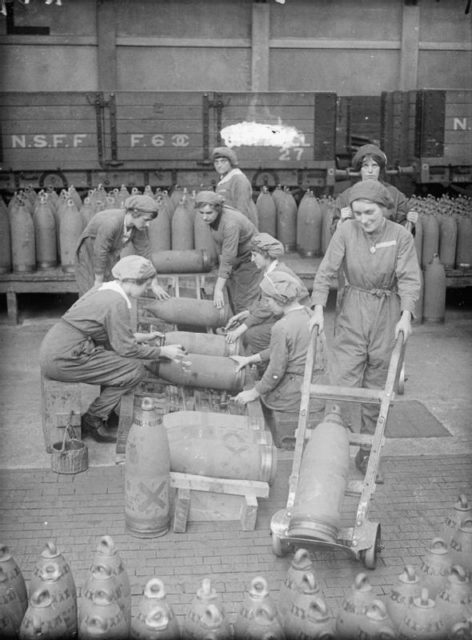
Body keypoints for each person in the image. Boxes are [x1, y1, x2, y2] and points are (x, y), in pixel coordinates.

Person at [310, 180, 421, 474]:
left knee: (377, 386)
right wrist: (318, 309)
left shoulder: (400, 236)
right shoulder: (346, 231)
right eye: (358, 213)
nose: (364, 219)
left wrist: (406, 316)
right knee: (342, 382)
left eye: (369, 212)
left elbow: (410, 278)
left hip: (387, 312)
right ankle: (329, 451)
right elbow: (326, 271)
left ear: (384, 209)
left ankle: (367, 454)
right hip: (353, 310)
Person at [39, 256, 187, 443]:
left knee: (117, 361)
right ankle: (93, 419)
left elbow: (109, 336)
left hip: (55, 348)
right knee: (133, 370)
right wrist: (163, 352)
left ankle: (105, 410)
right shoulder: (116, 302)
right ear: (132, 282)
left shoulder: (104, 289)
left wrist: (144, 337)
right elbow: (126, 349)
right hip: (65, 357)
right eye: (146, 285)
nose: (147, 290)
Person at [231, 271, 312, 414]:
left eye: (268, 301)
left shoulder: (281, 327)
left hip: (297, 394)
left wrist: (253, 393)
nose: (267, 306)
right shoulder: (308, 314)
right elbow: (278, 350)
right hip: (313, 387)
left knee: (267, 396)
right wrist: (248, 359)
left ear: (280, 300)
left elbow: (276, 370)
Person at [224, 232, 309, 355]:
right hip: (292, 316)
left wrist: (239, 331)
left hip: (300, 323)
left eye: (255, 255)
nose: (252, 259)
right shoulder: (269, 271)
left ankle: (272, 363)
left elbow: (265, 309)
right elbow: (264, 301)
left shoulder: (276, 275)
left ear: (266, 255)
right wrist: (246, 313)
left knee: (252, 334)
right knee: (251, 326)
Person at [75, 193, 169, 300]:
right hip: (90, 251)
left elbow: (145, 253)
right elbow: (100, 251)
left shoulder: (138, 227)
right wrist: (98, 282)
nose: (148, 225)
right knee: (91, 290)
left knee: (112, 285)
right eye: (146, 220)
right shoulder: (112, 223)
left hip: (110, 252)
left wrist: (154, 283)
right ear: (135, 214)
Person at [194, 190, 261, 315]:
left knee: (244, 300)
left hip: (251, 260)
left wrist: (218, 289)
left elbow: (228, 258)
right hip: (237, 259)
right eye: (201, 213)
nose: (204, 217)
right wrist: (223, 274)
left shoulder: (230, 223)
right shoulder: (214, 218)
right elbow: (221, 245)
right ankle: (235, 324)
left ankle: (245, 330)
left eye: (208, 213)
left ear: (218, 209)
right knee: (231, 293)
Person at [332, 143, 418, 232]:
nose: (370, 171)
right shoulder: (346, 197)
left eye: (374, 165)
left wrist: (410, 222)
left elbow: (402, 232)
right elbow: (335, 233)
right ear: (359, 170)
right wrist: (341, 222)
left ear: (380, 169)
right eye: (365, 165)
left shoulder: (394, 195)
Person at [212, 146, 259, 227]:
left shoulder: (239, 179)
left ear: (231, 162)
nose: (219, 165)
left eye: (223, 161)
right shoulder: (224, 179)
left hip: (242, 227)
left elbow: (242, 209)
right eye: (216, 162)